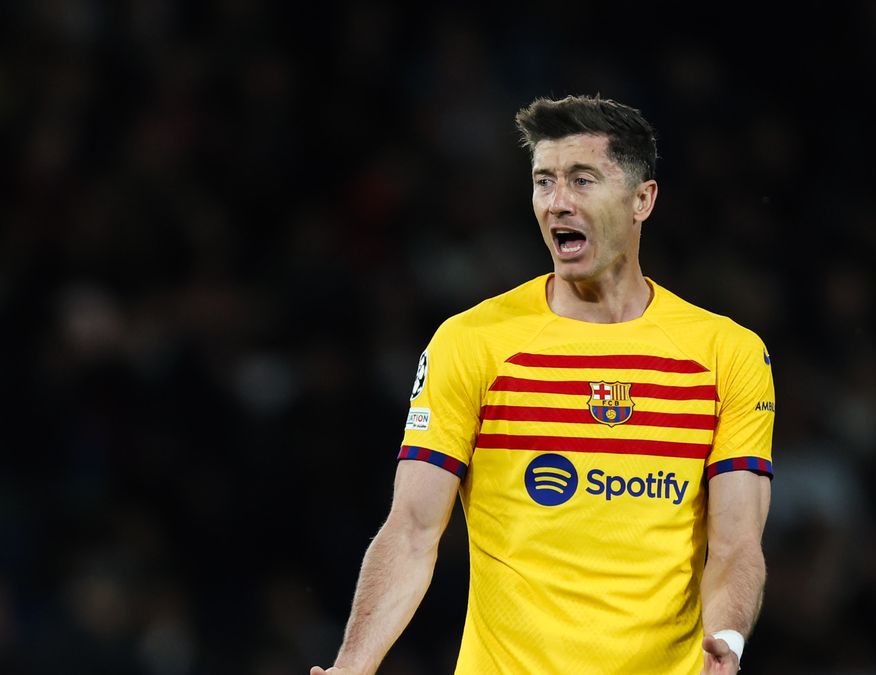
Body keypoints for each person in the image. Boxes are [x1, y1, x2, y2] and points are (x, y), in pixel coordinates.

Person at [311, 95, 775, 675]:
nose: (557, 203)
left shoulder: (726, 354)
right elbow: (410, 530)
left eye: (582, 180)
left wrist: (727, 640)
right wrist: (353, 665)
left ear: (642, 200)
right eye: (543, 181)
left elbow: (735, 544)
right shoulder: (473, 341)